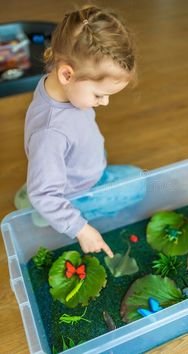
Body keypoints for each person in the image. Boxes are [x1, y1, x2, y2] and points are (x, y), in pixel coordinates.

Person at [15, 5, 145, 258]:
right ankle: (46, 212)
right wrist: (81, 229)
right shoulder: (51, 132)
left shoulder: (60, 80)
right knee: (138, 183)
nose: (105, 102)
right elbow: (45, 189)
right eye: (99, 95)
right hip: (78, 189)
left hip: (74, 162)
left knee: (45, 178)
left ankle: (36, 196)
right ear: (67, 74)